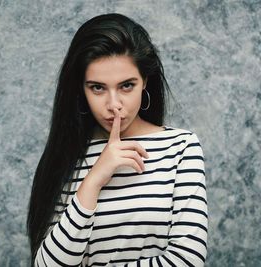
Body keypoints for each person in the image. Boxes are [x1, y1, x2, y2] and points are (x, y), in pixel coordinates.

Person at [27, 13, 208, 267]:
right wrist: (93, 181)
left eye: (126, 86)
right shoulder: (65, 157)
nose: (113, 105)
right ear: (81, 88)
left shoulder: (181, 148)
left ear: (145, 81)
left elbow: (187, 261)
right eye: (98, 88)